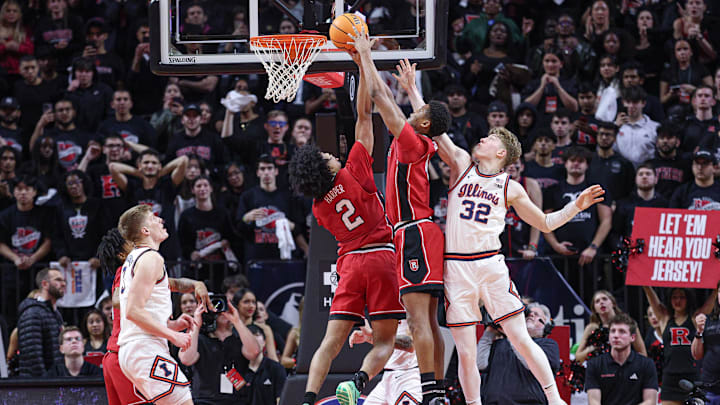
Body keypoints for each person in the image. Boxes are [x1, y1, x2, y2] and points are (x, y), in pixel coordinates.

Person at [389, 53, 606, 405]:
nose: (482, 140)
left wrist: (575, 206)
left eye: (489, 139)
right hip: (456, 267)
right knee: (467, 351)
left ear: (501, 152)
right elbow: (436, 127)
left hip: (490, 265)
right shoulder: (461, 163)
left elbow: (546, 223)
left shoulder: (510, 186)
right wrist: (413, 90)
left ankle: (555, 400)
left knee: (520, 337)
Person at [289, 50, 403, 405]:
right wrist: (363, 67)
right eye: (326, 155)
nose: (332, 152)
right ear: (325, 166)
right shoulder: (352, 169)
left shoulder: (319, 207)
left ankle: (308, 399)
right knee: (385, 341)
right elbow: (364, 116)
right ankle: (357, 382)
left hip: (350, 265)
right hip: (382, 258)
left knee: (328, 343)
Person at [352, 33, 451, 404]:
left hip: (414, 233)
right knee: (428, 318)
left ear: (423, 125)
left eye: (418, 113)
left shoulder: (412, 142)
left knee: (418, 318)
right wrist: (408, 87)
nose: (412, 112)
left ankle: (429, 391)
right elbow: (392, 101)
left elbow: (379, 99)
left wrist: (364, 54)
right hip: (419, 234)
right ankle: (437, 392)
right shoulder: (421, 139)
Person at [96, 227, 212, 405]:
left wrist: (197, 284)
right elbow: (118, 299)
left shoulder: (143, 272)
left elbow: (178, 284)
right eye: (132, 242)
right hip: (132, 353)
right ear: (121, 254)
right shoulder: (128, 271)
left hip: (117, 356)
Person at [117, 205, 195, 404]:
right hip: (144, 348)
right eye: (153, 218)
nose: (160, 220)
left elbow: (141, 311)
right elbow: (133, 311)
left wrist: (171, 326)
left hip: (136, 349)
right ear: (145, 231)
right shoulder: (151, 258)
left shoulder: (133, 259)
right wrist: (173, 336)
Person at [179, 295, 261, 405]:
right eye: (215, 307)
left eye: (225, 306)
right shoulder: (199, 339)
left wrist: (237, 321)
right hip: (205, 400)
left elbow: (254, 352)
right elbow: (186, 359)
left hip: (236, 400)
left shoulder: (240, 337)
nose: (221, 311)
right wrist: (196, 324)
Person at [477, 303, 561, 404]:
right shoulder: (500, 344)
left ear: (546, 326)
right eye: (528, 314)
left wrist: (512, 334)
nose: (531, 315)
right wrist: (490, 331)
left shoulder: (548, 345)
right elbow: (480, 364)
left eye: (536, 314)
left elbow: (532, 364)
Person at [643, 286, 713, 404]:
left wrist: (716, 289)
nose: (678, 301)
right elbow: (651, 297)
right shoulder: (664, 318)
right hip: (670, 378)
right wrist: (645, 285)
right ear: (670, 299)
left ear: (688, 299)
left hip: (692, 376)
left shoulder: (695, 318)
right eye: (674, 297)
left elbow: (709, 305)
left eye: (682, 297)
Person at [585, 313, 659, 405]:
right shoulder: (594, 364)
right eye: (613, 331)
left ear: (632, 337)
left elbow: (650, 401)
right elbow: (594, 402)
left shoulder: (646, 364)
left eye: (622, 331)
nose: (616, 335)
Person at [348, 319, 420, 404]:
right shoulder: (384, 309)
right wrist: (370, 337)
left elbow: (410, 344)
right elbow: (384, 342)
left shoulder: (410, 307)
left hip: (407, 376)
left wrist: (372, 334)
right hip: (387, 379)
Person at [16, 268, 66, 377]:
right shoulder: (33, 313)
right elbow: (32, 356)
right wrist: (44, 385)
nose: (63, 284)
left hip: (53, 382)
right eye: (58, 280)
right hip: (39, 387)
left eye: (64, 281)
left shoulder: (55, 313)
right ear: (44, 284)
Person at [575, 290, 647, 364]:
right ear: (595, 309)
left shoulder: (628, 323)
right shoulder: (592, 328)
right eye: (597, 301)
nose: (601, 302)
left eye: (605, 299)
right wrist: (591, 349)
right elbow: (578, 357)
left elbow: (642, 353)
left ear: (613, 303)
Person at [240, 324, 287, 405]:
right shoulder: (237, 370)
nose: (253, 340)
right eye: (250, 337)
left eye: (257, 335)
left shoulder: (276, 369)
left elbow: (281, 400)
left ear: (264, 342)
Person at [614, 86, 659, 169]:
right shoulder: (616, 127)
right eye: (628, 102)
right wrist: (615, 128)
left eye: (635, 102)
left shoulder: (655, 128)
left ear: (643, 103)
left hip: (646, 173)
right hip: (621, 173)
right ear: (623, 102)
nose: (631, 106)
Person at [692, 280, 720, 405]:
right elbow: (696, 355)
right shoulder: (708, 320)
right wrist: (698, 332)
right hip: (710, 388)